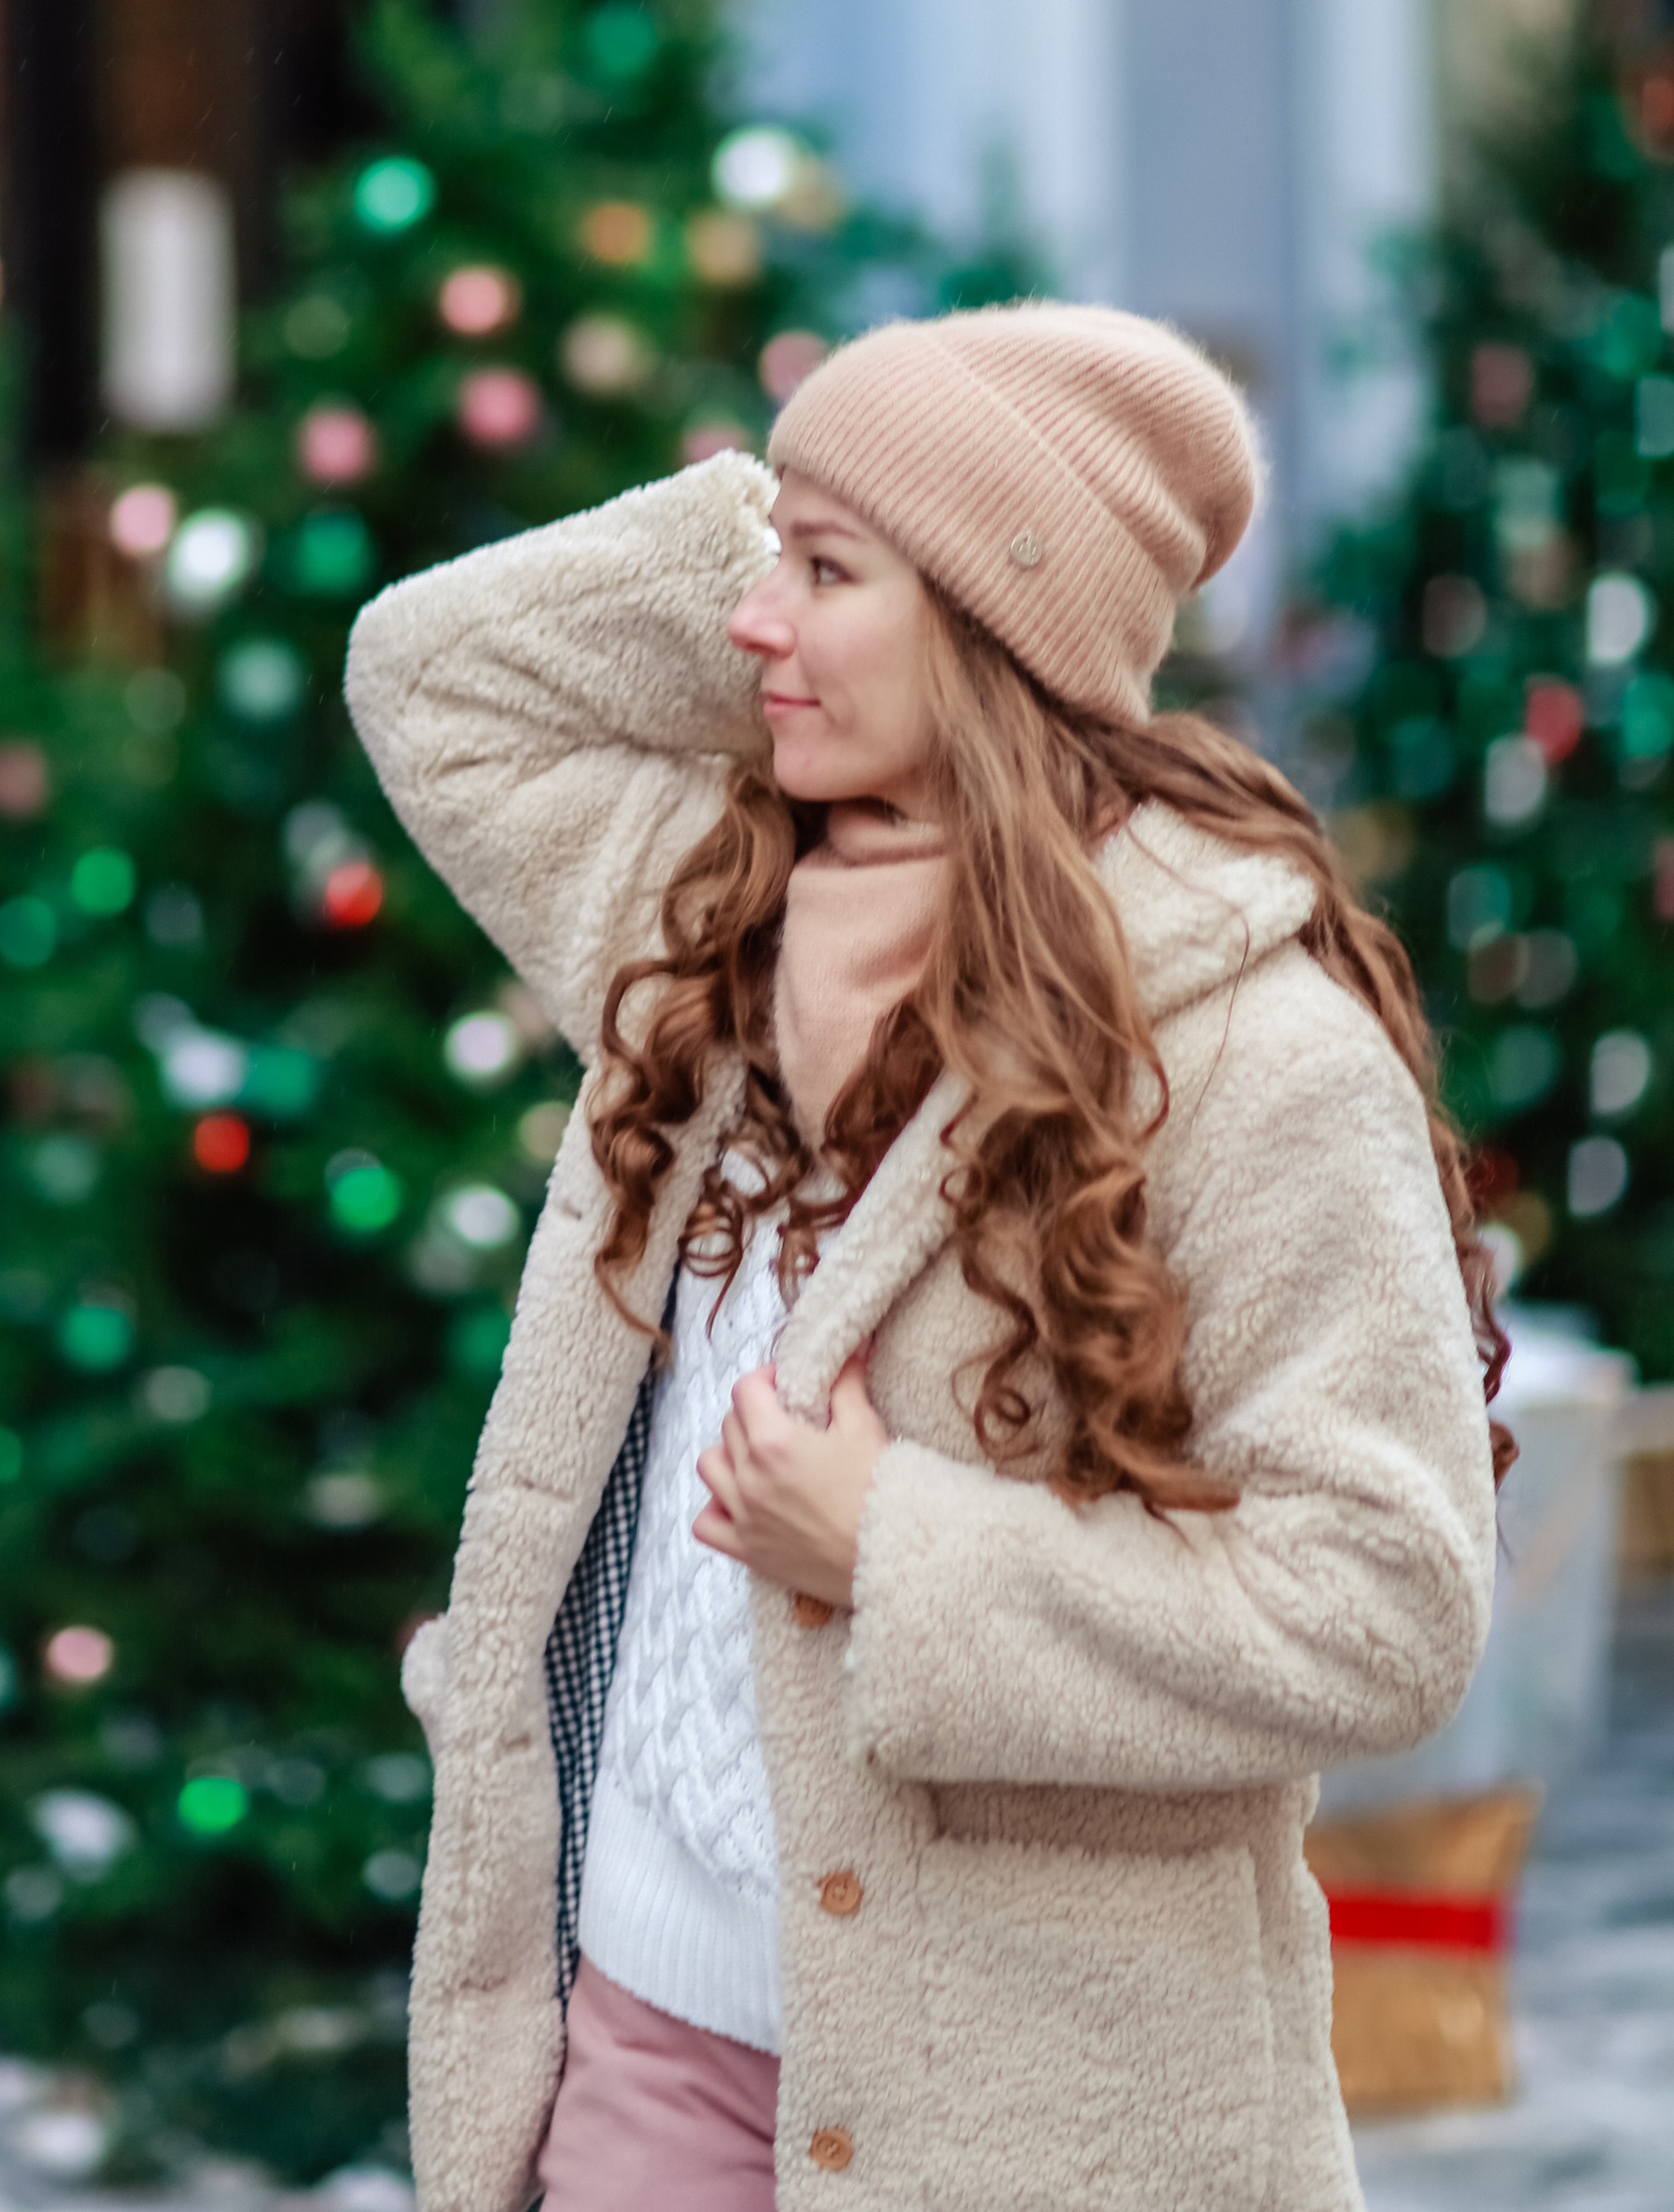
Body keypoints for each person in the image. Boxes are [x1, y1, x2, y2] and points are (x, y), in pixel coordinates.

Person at [344, 302, 1505, 2212]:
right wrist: (806, 497)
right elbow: (437, 674)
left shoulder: (1245, 1050)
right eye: (768, 561)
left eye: (823, 574)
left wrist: (902, 1551)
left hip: (1036, 2117)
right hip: (638, 2035)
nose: (747, 622)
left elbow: (1379, 1603)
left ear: (986, 623)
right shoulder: (705, 918)